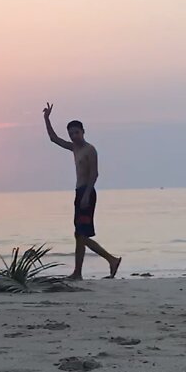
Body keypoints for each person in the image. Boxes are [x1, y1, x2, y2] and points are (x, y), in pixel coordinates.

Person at [43, 102, 122, 279]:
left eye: (76, 132)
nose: (73, 136)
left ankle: (110, 260)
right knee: (79, 234)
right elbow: (54, 139)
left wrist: (86, 195)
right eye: (71, 134)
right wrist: (46, 119)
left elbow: (94, 174)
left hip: (87, 193)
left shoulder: (89, 149)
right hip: (79, 193)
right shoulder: (74, 148)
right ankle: (80, 271)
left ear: (83, 132)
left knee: (81, 235)